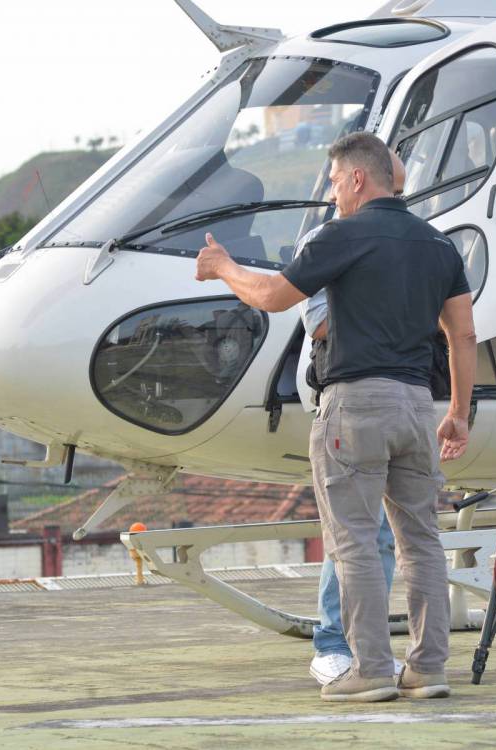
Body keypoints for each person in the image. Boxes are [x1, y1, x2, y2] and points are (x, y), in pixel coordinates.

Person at [195, 131, 476, 702]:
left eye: (332, 180)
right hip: (418, 406)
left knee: (351, 541)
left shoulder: (341, 235)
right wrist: (460, 414)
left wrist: (223, 266)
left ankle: (370, 668)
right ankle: (428, 668)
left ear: (356, 178)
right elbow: (463, 334)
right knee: (420, 541)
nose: (331, 191)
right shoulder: (439, 246)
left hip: (356, 405)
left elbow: (274, 295)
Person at [305, 151, 408, 686]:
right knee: (352, 532)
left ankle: (369, 646)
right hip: (346, 400)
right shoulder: (327, 243)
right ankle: (332, 642)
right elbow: (318, 322)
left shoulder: (411, 243)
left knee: (385, 538)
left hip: (401, 401)